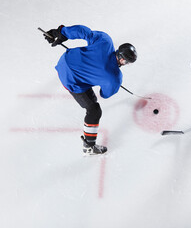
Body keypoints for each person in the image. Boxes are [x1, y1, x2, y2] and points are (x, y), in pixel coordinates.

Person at [44, 25, 137, 155]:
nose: (124, 63)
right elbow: (104, 94)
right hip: (71, 81)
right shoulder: (115, 78)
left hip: (65, 61)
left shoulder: (105, 41)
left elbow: (84, 32)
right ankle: (89, 146)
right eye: (125, 61)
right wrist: (104, 79)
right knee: (94, 110)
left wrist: (61, 33)